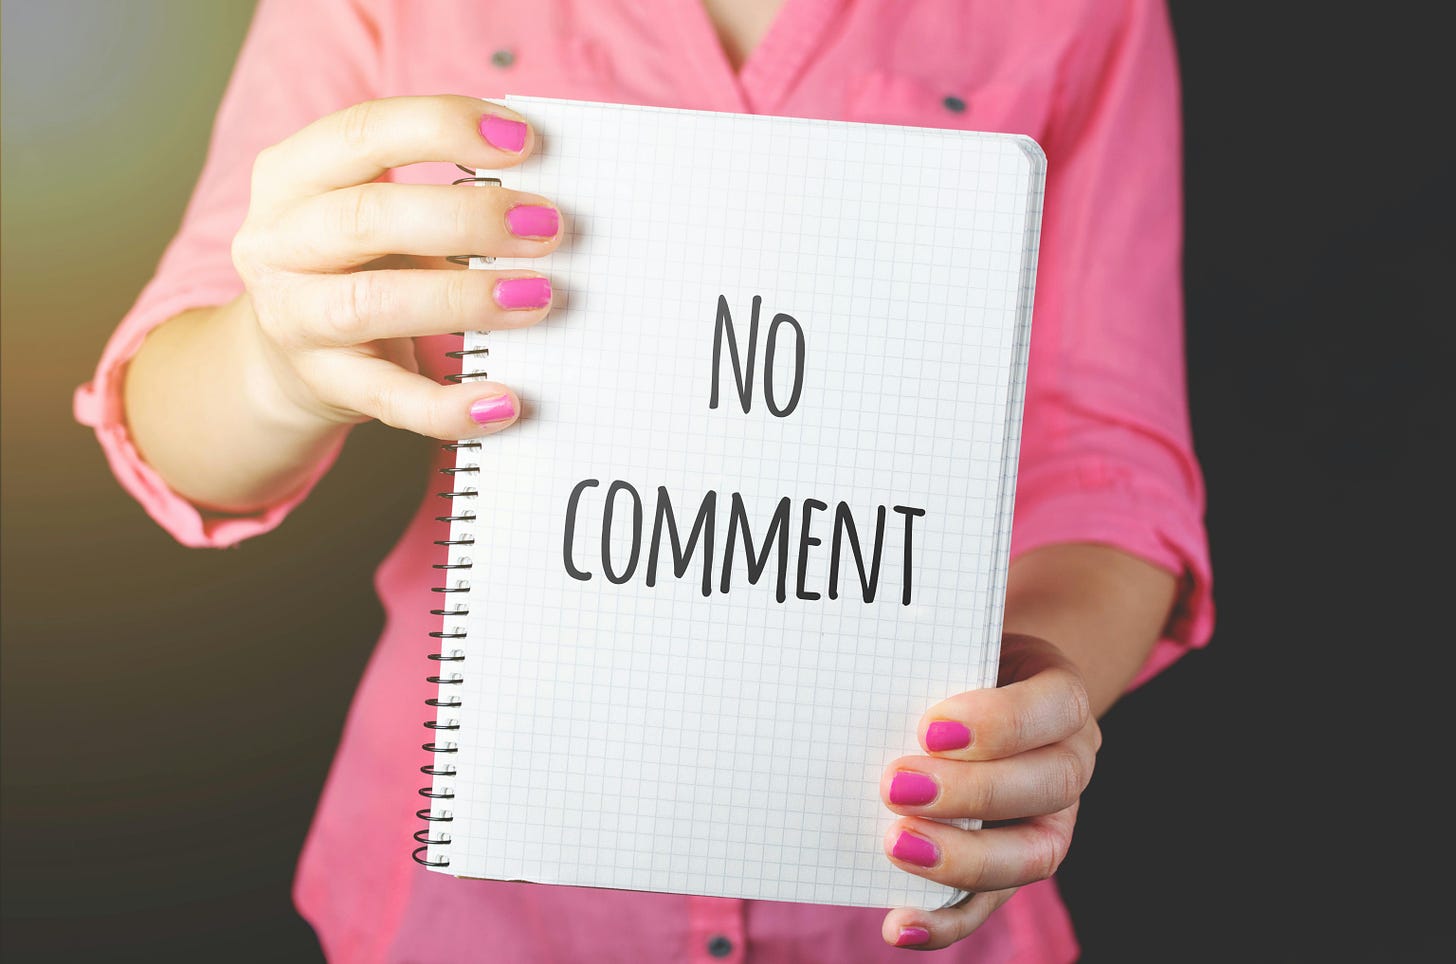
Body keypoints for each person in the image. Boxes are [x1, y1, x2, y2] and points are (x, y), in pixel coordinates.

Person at [72, 0, 1212, 960]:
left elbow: (1108, 460)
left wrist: (1015, 720)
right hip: (466, 908)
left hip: (890, 888)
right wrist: (277, 359)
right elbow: (176, 418)